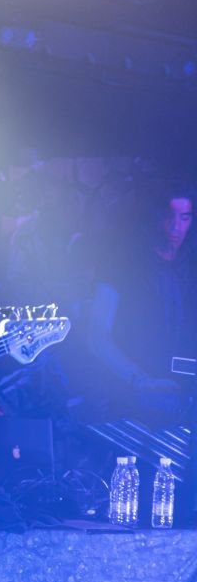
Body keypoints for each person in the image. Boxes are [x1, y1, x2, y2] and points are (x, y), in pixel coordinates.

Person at [87, 180, 197, 421]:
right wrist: (140, 379)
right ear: (154, 216)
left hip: (185, 400)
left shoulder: (190, 264)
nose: (175, 227)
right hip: (130, 399)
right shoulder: (123, 261)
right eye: (169, 216)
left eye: (185, 218)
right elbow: (96, 334)